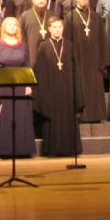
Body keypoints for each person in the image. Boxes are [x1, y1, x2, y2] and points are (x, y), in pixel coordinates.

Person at [0, 17, 35, 158]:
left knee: (20, 116)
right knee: (5, 117)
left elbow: (27, 65)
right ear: (4, 27)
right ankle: (5, 150)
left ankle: (22, 150)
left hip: (19, 85)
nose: (12, 27)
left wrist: (28, 84)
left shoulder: (22, 45)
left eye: (14, 25)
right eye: (9, 24)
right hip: (3, 86)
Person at [33, 18, 82, 157]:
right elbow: (39, 71)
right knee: (52, 118)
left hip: (67, 89)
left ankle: (70, 149)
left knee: (68, 118)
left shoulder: (69, 45)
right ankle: (52, 150)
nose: (57, 29)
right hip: (50, 90)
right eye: (54, 27)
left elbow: (75, 69)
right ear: (49, 29)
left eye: (59, 27)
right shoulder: (43, 46)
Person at [66, 0, 106, 123]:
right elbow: (67, 41)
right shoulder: (70, 17)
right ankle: (81, 115)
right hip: (78, 60)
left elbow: (102, 39)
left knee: (94, 86)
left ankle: (96, 115)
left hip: (94, 59)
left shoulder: (96, 16)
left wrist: (103, 60)